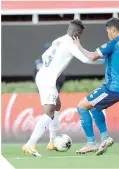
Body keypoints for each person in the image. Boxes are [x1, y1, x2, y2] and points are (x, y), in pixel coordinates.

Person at [22, 19, 104, 157]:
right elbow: (86, 59)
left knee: (58, 106)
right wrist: (105, 62)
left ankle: (52, 142)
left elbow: (45, 56)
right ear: (77, 33)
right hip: (48, 80)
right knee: (49, 113)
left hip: (43, 74)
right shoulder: (70, 44)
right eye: (80, 34)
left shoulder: (58, 40)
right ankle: (30, 144)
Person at [73, 18, 119, 156]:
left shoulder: (114, 43)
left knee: (82, 106)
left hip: (113, 87)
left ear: (113, 30)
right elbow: (109, 59)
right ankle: (105, 138)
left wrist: (79, 47)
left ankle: (91, 143)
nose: (108, 34)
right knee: (94, 107)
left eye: (108, 31)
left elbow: (93, 56)